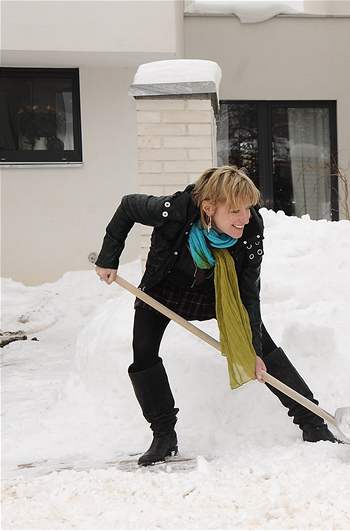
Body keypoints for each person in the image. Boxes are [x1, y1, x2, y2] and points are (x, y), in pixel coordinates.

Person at [94, 166, 337, 466]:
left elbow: (249, 295)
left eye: (247, 208)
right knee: (143, 354)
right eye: (235, 210)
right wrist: (108, 257)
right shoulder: (175, 210)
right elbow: (128, 206)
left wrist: (253, 350)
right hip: (164, 288)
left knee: (263, 347)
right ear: (209, 208)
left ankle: (313, 423)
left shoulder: (250, 230)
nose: (244, 217)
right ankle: (164, 436)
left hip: (218, 292)